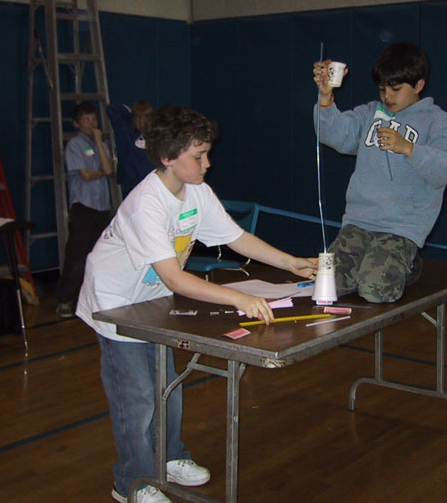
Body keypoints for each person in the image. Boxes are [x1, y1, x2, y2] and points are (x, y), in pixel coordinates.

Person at [76, 105, 317, 503]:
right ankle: (132, 483)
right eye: (198, 156)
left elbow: (235, 238)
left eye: (207, 153)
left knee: (166, 387)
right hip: (115, 304)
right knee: (136, 399)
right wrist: (240, 296)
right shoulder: (146, 204)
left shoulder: (197, 193)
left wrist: (290, 261)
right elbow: (175, 277)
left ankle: (170, 458)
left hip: (150, 300)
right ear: (168, 158)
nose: (207, 163)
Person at [312, 42, 447, 303]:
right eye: (382, 89)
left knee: (375, 290)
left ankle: (410, 264)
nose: (387, 97)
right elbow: (333, 134)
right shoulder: (371, 113)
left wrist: (408, 148)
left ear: (418, 86)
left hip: (401, 228)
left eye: (395, 89)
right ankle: (377, 261)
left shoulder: (436, 121)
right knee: (327, 285)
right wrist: (325, 97)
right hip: (359, 222)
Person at [55, 102, 115, 319]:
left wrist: (99, 140)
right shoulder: (74, 145)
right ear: (77, 124)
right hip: (83, 205)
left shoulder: (100, 144)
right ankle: (65, 299)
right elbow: (85, 175)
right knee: (77, 255)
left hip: (102, 206)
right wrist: (99, 171)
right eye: (87, 120)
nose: (92, 124)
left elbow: (108, 170)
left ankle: (93, 298)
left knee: (99, 254)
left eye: (94, 119)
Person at [109, 99, 155, 196]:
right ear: (132, 119)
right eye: (138, 119)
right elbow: (111, 109)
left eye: (145, 119)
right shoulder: (125, 132)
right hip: (132, 185)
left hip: (151, 185)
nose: (142, 123)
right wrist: (130, 114)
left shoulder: (155, 135)